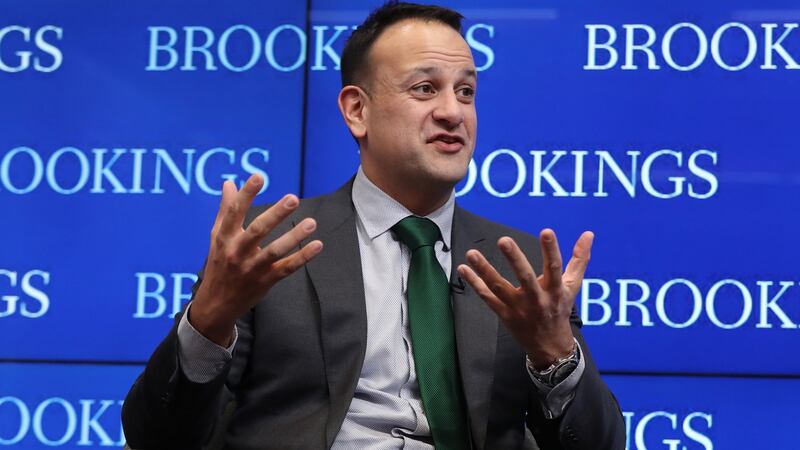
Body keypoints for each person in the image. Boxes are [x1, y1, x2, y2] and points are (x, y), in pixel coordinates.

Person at [122, 2, 626, 449]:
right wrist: (208, 320)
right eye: (425, 88)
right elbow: (159, 438)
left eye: (466, 91)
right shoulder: (270, 244)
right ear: (357, 110)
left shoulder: (517, 262)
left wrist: (554, 354)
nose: (453, 112)